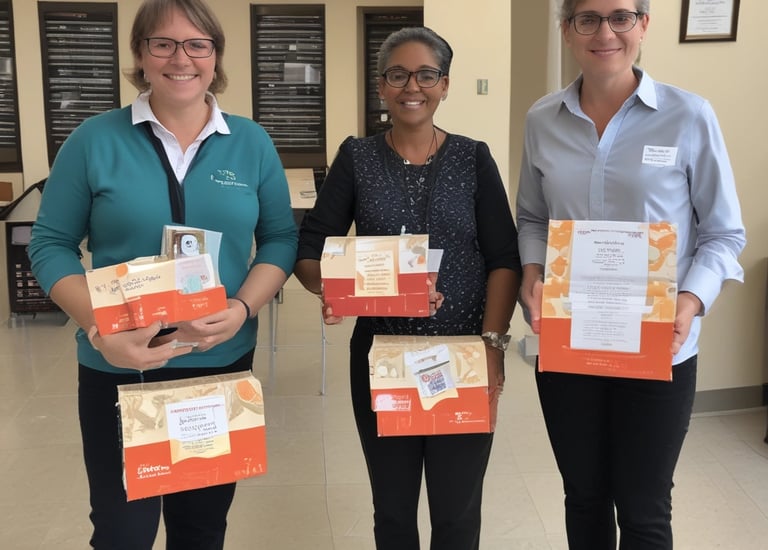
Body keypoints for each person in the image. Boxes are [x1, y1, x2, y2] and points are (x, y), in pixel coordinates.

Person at [28, 0, 297, 548]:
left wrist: (242, 309)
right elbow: (51, 245)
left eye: (198, 44)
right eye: (164, 44)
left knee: (201, 529)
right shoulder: (92, 140)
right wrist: (103, 329)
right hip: (119, 367)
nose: (182, 58)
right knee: (122, 532)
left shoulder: (251, 142)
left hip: (216, 364)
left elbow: (280, 238)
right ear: (141, 55)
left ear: (215, 56)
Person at [516, 1, 746, 548]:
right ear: (567, 29)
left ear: (644, 25)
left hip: (657, 348)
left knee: (644, 509)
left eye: (621, 16)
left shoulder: (690, 116)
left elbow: (723, 233)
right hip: (570, 343)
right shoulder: (541, 119)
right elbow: (531, 217)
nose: (605, 33)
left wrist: (690, 301)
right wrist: (531, 273)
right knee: (585, 497)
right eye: (587, 18)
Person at [294, 26, 521, 550]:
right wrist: (334, 288)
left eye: (426, 74)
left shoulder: (473, 158)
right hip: (382, 358)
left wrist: (493, 345)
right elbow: (310, 252)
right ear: (381, 85)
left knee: (458, 511)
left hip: (463, 354)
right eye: (398, 74)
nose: (411, 86)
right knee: (393, 510)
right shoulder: (356, 157)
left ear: (444, 85)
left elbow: (504, 260)